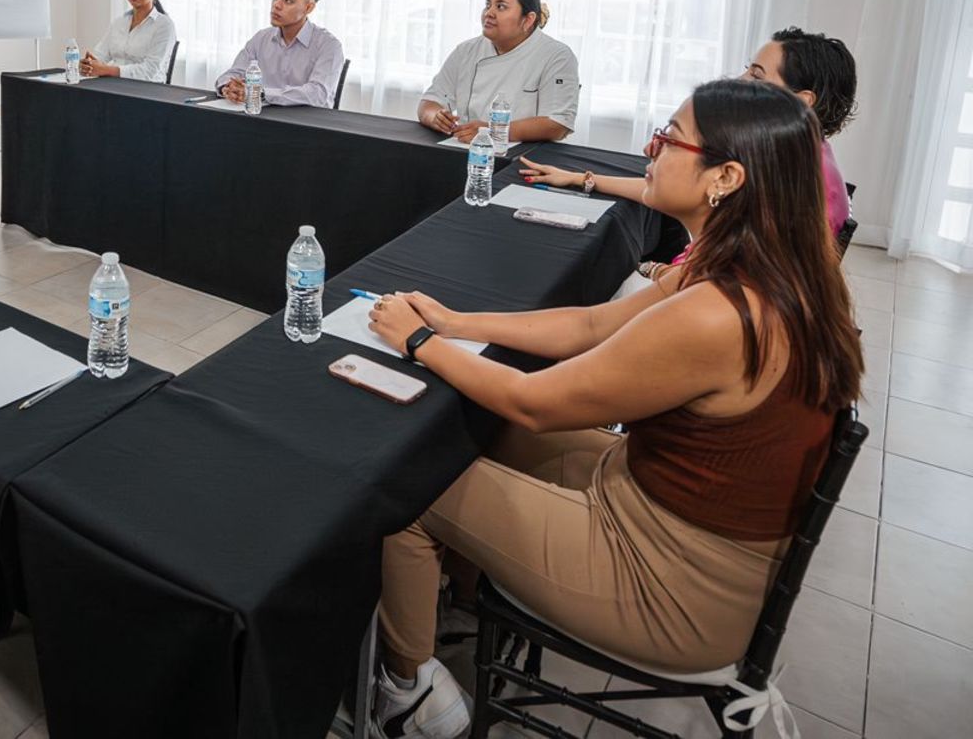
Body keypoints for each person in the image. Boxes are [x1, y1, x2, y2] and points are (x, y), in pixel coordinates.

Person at [366, 80, 863, 737]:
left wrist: (419, 342)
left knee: (407, 480)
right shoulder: (757, 266)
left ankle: (407, 692)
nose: (651, 150)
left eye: (669, 139)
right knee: (478, 428)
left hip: (671, 588)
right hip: (659, 507)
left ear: (726, 178)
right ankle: (460, 597)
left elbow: (535, 402)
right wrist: (455, 322)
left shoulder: (719, 312)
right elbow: (592, 325)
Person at [520, 27, 858, 262]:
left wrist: (651, 271)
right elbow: (672, 189)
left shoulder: (779, 177)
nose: (740, 81)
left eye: (756, 76)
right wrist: (583, 179)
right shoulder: (801, 157)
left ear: (802, 101)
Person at [417, 0, 578, 145]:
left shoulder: (557, 56)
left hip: (525, 154)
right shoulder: (466, 51)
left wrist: (491, 131)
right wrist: (435, 117)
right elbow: (429, 102)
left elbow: (557, 124)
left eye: (501, 7)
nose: (489, 13)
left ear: (528, 20)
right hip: (469, 148)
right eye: (488, 5)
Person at [210, 0, 345, 108]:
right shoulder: (261, 38)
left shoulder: (329, 46)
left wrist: (260, 93)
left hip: (306, 121)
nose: (276, 5)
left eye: (288, 0)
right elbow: (234, 73)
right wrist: (229, 87)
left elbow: (318, 94)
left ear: (308, 8)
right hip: (261, 117)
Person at [79, 0, 178, 81]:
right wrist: (89, 64)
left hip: (146, 89)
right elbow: (100, 55)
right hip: (114, 85)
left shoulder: (164, 25)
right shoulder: (119, 22)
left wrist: (106, 70)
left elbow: (149, 71)